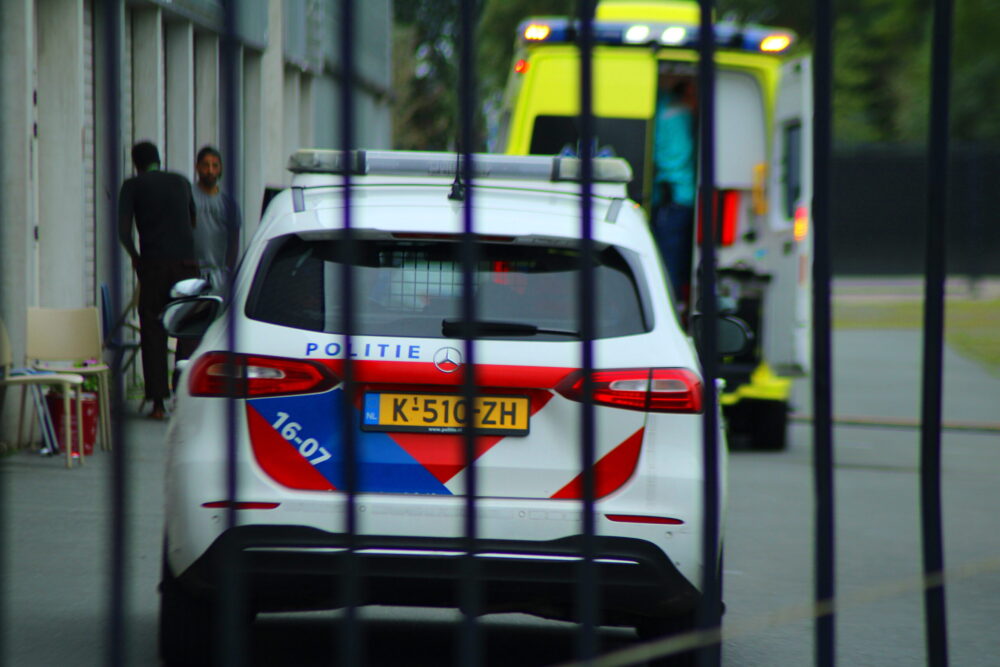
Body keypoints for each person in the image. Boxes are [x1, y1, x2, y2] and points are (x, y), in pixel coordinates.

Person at [118, 141, 199, 420]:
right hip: (187, 266)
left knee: (153, 330)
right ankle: (184, 395)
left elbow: (123, 231)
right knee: (187, 327)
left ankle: (158, 404)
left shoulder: (133, 186)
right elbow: (193, 221)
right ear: (159, 160)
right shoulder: (181, 182)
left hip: (154, 266)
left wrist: (135, 257)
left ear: (136, 164)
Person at [651, 71, 697, 306]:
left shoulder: (662, 108)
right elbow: (675, 159)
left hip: (669, 196)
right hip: (678, 196)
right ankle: (673, 303)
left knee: (666, 253)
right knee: (672, 256)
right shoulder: (678, 115)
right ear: (687, 91)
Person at [192, 145, 242, 291]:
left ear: (221, 169)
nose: (210, 171)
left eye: (215, 166)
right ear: (197, 167)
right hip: (191, 274)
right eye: (205, 165)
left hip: (219, 276)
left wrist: (229, 272)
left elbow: (234, 242)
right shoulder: (188, 196)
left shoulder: (229, 204)